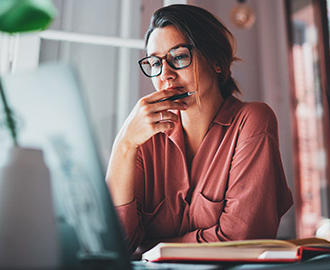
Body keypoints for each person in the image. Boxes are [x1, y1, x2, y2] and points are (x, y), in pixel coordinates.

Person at [106, 4, 293, 255]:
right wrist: (124, 145)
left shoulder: (252, 121)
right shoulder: (143, 139)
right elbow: (115, 245)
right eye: (155, 63)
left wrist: (151, 247)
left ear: (216, 61)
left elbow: (241, 240)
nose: (166, 76)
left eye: (179, 56)